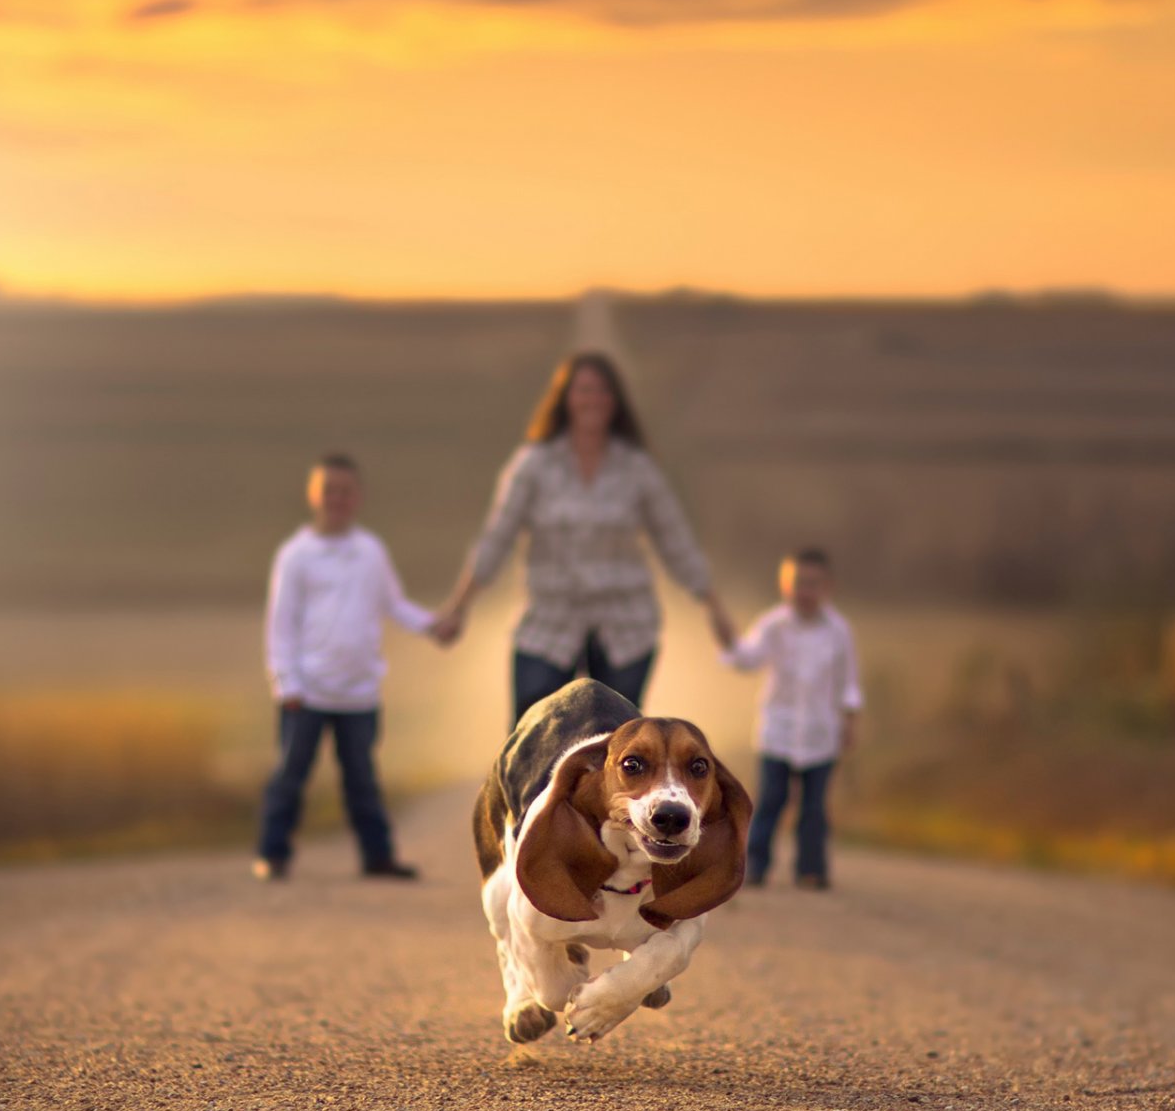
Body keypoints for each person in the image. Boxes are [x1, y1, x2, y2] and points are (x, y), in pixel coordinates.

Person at [433, 352, 734, 721]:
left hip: (624, 623)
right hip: (549, 620)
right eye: (584, 390)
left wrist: (714, 608)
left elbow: (676, 541)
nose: (594, 400)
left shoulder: (636, 467)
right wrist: (459, 607)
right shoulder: (534, 464)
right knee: (533, 734)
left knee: (618, 741)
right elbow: (497, 537)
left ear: (615, 400)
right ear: (566, 398)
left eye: (603, 391)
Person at [254, 454, 441, 882]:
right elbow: (280, 624)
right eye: (329, 490)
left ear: (358, 497)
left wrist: (434, 626)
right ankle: (272, 853)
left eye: (345, 491)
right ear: (313, 495)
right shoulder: (295, 556)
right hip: (306, 692)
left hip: (359, 692)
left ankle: (378, 856)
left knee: (362, 779)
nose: (337, 499)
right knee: (290, 777)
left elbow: (394, 603)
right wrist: (285, 682)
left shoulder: (370, 551)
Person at [724, 548, 862, 890]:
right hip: (778, 731)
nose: (805, 592)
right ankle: (754, 865)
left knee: (814, 808)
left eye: (813, 584)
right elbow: (747, 658)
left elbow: (848, 681)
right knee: (771, 799)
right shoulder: (773, 625)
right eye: (798, 583)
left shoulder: (839, 631)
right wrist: (725, 636)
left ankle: (811, 869)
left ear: (827, 586)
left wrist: (850, 720)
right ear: (785, 585)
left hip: (821, 732)